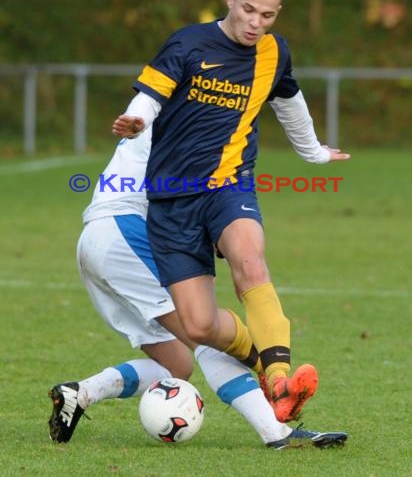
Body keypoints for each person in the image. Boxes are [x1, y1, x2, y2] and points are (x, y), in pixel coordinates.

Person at [112, 0, 351, 424]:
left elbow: (290, 101)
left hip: (229, 184)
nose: (255, 23)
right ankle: (262, 363)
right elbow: (149, 97)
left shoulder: (273, 53)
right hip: (171, 200)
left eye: (268, 15)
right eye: (248, 10)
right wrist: (136, 120)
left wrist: (314, 152)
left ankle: (280, 381)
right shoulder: (187, 43)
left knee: (249, 259)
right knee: (199, 325)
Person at [48, 127, 347, 450]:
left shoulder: (167, 111)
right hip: (128, 235)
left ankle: (82, 393)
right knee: (206, 333)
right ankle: (277, 432)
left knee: (178, 365)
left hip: (97, 239)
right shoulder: (190, 122)